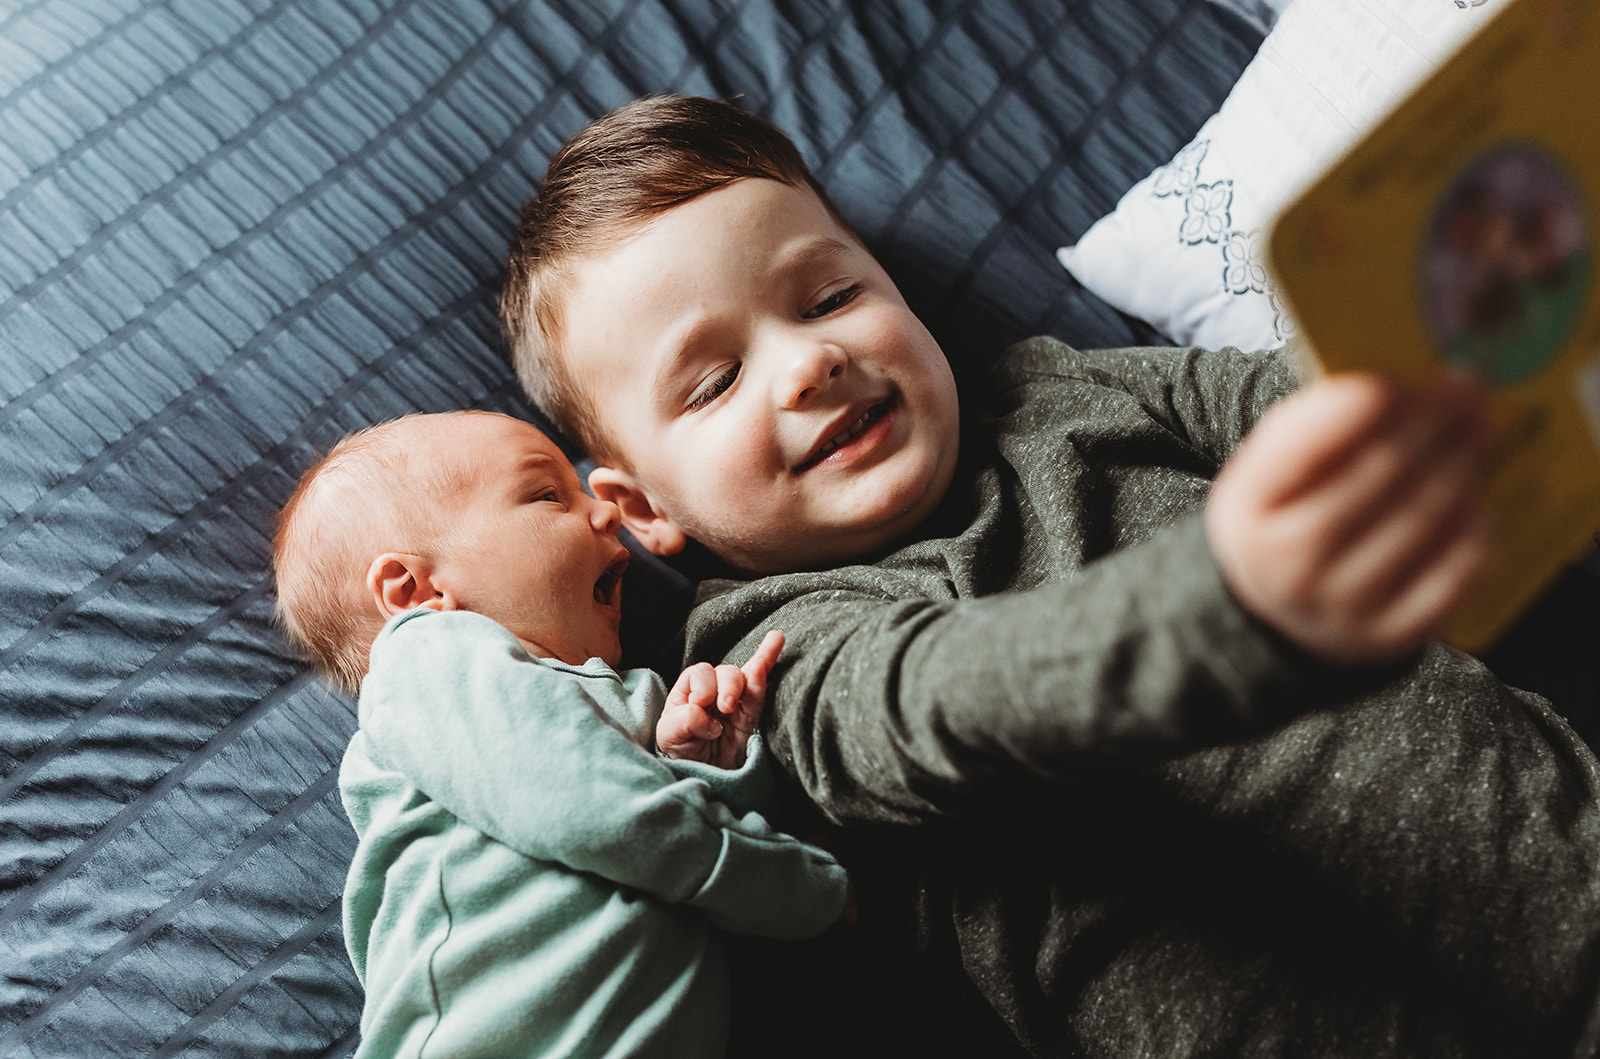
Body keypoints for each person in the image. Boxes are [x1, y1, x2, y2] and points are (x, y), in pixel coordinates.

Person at [496, 94, 1600, 1058]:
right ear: (641, 510)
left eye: (828, 297)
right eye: (716, 377)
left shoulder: (1062, 390)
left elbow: (1293, 396)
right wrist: (1235, 601)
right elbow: (948, 704)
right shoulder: (768, 655)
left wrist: (1463, 336)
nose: (810, 360)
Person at [270, 409, 849, 1059]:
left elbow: (679, 838)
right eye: (547, 495)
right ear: (414, 590)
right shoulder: (427, 664)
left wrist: (712, 760)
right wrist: (806, 887)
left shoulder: (632, 696)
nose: (604, 510)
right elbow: (604, 816)